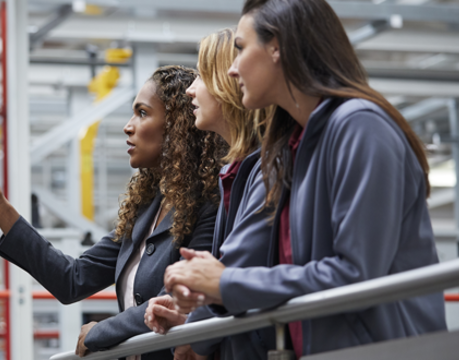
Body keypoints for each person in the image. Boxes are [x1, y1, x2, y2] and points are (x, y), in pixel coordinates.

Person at [163, 0, 447, 358]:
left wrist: (224, 283)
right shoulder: (291, 147)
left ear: (277, 47)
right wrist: (210, 295)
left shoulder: (360, 126)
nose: (233, 70)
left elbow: (356, 274)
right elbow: (290, 271)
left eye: (240, 49)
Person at [0, 65, 225, 360]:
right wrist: (1, 211)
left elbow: (175, 302)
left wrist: (101, 332)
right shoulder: (144, 212)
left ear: (177, 126)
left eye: (142, 113)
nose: (128, 126)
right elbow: (72, 279)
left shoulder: (209, 206)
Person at [143, 29, 275, 360]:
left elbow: (234, 273)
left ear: (228, 81)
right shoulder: (232, 175)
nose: (191, 89)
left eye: (201, 76)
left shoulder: (264, 171)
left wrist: (196, 333)